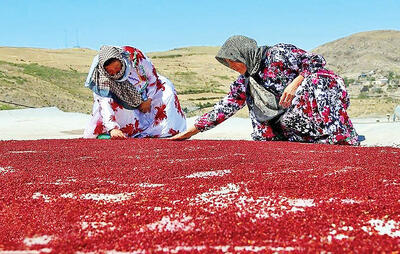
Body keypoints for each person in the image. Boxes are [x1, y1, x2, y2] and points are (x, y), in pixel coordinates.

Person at [171, 35, 359, 145]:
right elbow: (225, 107)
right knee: (274, 129)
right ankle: (320, 138)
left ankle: (340, 134)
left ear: (244, 53)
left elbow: (316, 61)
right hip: (292, 112)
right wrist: (192, 131)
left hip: (319, 98)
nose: (233, 67)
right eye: (229, 64)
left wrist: (296, 83)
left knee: (319, 79)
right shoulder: (245, 81)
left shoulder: (278, 53)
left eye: (233, 61)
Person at [83, 45, 186, 139]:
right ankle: (111, 133)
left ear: (121, 61)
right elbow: (105, 102)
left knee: (167, 90)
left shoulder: (135, 58)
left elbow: (152, 76)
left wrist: (148, 100)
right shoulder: (101, 77)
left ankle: (160, 132)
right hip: (121, 99)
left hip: (146, 90)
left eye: (117, 68)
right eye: (110, 71)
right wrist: (112, 128)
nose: (115, 73)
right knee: (118, 112)